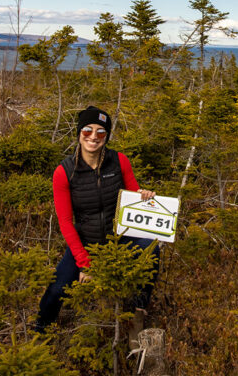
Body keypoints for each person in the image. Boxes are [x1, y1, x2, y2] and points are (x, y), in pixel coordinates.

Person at [36, 106, 160, 342]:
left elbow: (133, 193)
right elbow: (65, 222)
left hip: (119, 238)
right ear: (79, 133)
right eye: (88, 130)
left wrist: (144, 194)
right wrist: (85, 263)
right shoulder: (65, 172)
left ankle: (137, 314)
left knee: (151, 248)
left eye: (101, 132)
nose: (93, 137)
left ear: (107, 136)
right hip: (85, 243)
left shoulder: (119, 161)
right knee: (55, 291)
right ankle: (40, 334)